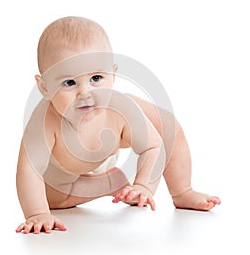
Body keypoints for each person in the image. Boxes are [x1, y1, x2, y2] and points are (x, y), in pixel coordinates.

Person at [16, 16, 221, 234]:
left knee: (167, 125)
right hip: (64, 173)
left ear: (112, 74)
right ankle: (109, 183)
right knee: (52, 198)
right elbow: (29, 169)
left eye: (96, 78)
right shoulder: (44, 123)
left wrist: (143, 186)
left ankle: (182, 192)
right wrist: (37, 213)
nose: (86, 93)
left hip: (111, 134)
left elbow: (153, 147)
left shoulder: (119, 109)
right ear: (45, 88)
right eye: (69, 83)